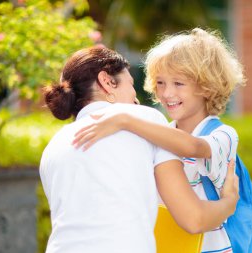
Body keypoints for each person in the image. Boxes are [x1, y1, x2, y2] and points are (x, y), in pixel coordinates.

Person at [40, 45, 239, 253]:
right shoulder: (146, 120)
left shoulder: (54, 145)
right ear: (107, 82)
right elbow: (194, 219)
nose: (135, 95)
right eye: (131, 84)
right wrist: (229, 202)